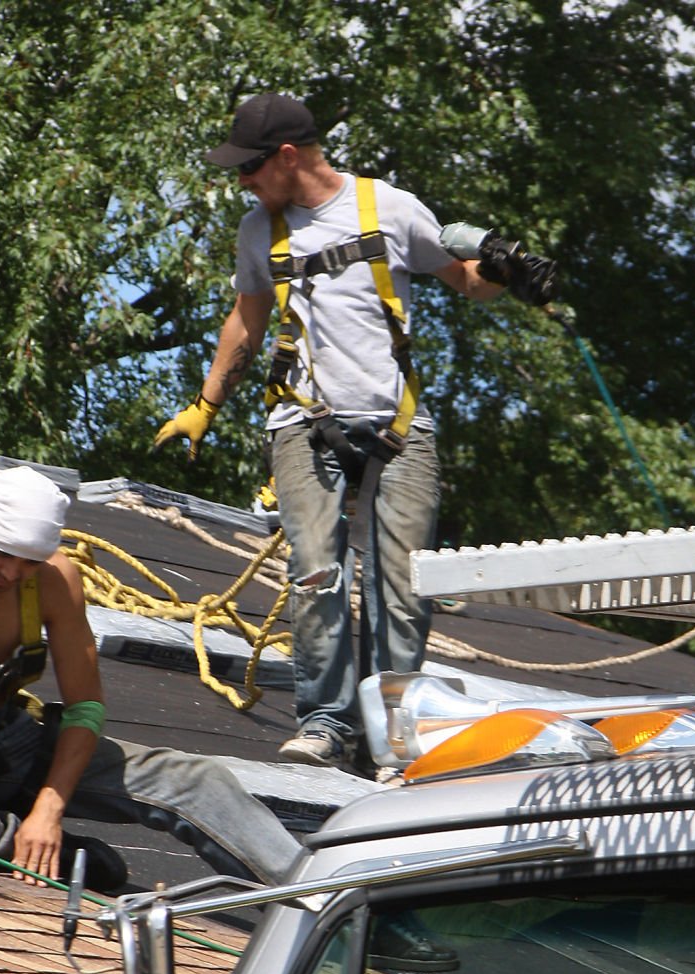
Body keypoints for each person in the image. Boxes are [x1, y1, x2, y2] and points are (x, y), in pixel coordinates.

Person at [155, 92, 554, 771]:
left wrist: (505, 272)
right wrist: (206, 403)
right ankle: (327, 722)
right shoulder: (259, 231)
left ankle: (395, 732)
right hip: (303, 420)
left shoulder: (389, 208)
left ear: (286, 156)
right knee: (316, 576)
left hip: (399, 424)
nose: (241, 182)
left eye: (249, 168)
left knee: (404, 585)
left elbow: (463, 279)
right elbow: (247, 319)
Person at [0, 465, 303, 892]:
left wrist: (50, 807)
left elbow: (86, 706)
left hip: (11, 749)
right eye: (3, 555)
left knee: (199, 781)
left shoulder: (53, 579)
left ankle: (322, 896)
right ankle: (47, 851)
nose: (13, 573)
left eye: (29, 561)